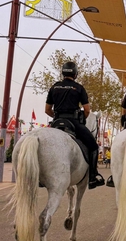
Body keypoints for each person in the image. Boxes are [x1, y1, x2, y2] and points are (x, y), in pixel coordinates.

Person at [45, 61, 105, 190]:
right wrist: (81, 119)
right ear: (75, 74)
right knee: (93, 146)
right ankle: (93, 177)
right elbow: (87, 110)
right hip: (73, 122)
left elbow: (47, 110)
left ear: (63, 73)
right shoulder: (78, 88)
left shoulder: (54, 87)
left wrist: (57, 116)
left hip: (57, 122)